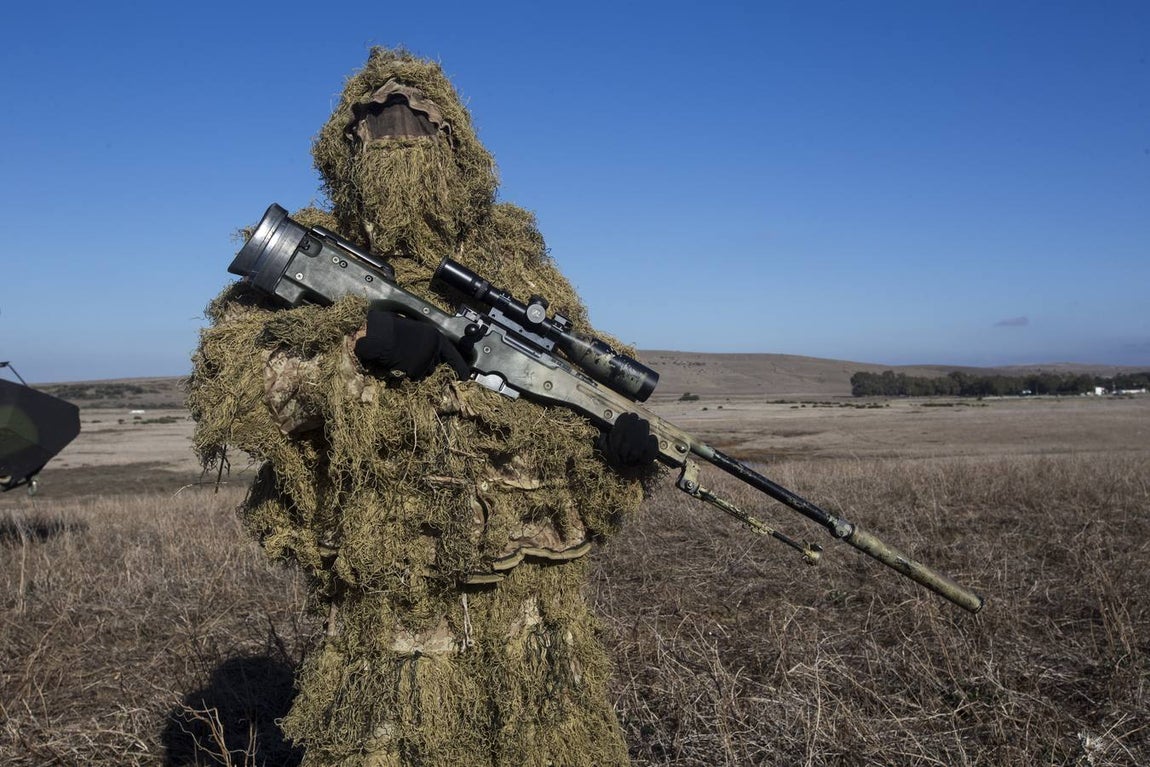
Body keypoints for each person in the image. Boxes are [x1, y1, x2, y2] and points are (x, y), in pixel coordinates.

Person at [190, 48, 657, 766]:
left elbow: (566, 384)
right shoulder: (317, 251)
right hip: (396, 601)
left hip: (532, 601)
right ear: (342, 152)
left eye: (422, 134)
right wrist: (350, 354)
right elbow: (235, 386)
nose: (399, 149)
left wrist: (614, 445)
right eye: (377, 134)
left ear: (459, 149)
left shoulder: (515, 260)